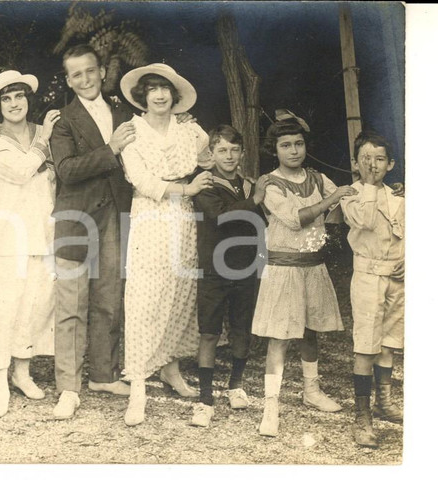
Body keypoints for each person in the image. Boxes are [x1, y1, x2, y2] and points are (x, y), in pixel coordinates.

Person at [117, 63, 214, 426]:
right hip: (150, 217)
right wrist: (186, 188)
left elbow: (207, 152)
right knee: (146, 298)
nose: (159, 95)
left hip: (184, 219)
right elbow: (141, 180)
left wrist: (195, 184)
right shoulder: (131, 131)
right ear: (142, 95)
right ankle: (139, 386)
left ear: (175, 96)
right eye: (153, 88)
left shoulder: (189, 131)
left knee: (180, 292)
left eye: (165, 89)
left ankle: (171, 370)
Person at [252, 110, 357, 437]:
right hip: (284, 269)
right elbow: (296, 218)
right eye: (286, 145)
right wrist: (335, 197)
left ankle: (311, 391)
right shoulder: (270, 184)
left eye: (298, 143)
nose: (294, 150)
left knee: (311, 331)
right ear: (275, 149)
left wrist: (343, 205)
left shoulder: (318, 178)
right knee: (280, 338)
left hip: (314, 266)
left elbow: (336, 218)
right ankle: (271, 405)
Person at [49, 44, 135, 419]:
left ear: (102, 72)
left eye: (90, 71)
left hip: (115, 217)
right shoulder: (62, 121)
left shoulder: (125, 113)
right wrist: (111, 149)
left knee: (108, 300)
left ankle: (103, 374)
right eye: (76, 74)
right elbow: (66, 170)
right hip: (75, 220)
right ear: (69, 80)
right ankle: (68, 386)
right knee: (71, 305)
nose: (85, 79)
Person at [0, 71, 61, 417]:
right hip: (3, 235)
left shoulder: (44, 133)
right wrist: (43, 151)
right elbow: (22, 170)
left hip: (40, 230)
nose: (14, 103)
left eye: (19, 96)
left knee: (34, 304)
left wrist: (47, 162)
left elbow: (53, 172)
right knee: (0, 309)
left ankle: (22, 373)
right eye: (6, 98)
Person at [189, 125, 268, 428]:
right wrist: (256, 200)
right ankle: (205, 399)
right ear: (212, 152)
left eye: (235, 150)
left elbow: (260, 223)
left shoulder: (247, 185)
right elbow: (221, 217)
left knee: (241, 329)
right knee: (209, 332)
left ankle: (236, 385)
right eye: (222, 150)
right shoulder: (206, 184)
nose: (229, 156)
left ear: (243, 153)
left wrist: (256, 200)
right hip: (214, 267)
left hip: (245, 266)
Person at [340, 131, 404, 448]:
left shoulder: (399, 198)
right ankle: (362, 416)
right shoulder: (351, 196)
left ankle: (385, 401)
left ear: (390, 163)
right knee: (366, 344)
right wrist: (366, 184)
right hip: (367, 276)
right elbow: (364, 221)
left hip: (397, 278)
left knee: (389, 343)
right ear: (356, 163)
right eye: (366, 158)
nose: (373, 165)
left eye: (379, 159)